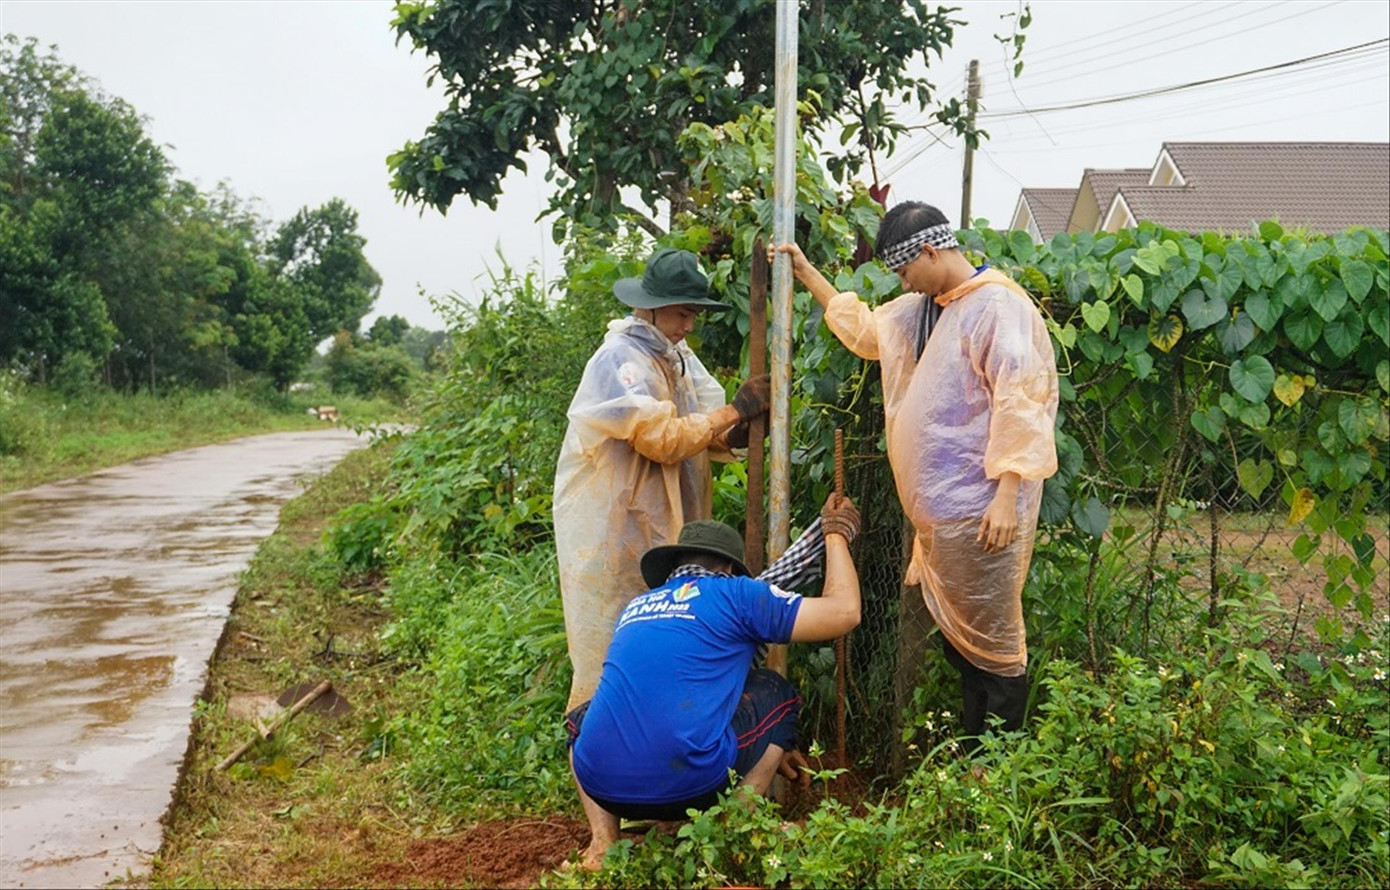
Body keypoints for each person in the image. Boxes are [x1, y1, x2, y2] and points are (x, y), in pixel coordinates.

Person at [771, 202, 1059, 752]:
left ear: (930, 251)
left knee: (996, 645)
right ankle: (979, 761)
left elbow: (1022, 401)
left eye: (905, 271)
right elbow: (864, 331)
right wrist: (806, 271)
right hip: (942, 528)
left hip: (987, 517)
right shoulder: (924, 309)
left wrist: (1006, 494)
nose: (903, 283)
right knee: (963, 648)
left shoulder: (997, 307)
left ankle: (996, 767)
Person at [566, 493, 863, 870]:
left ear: (675, 566)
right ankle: (732, 830)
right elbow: (845, 612)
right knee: (776, 693)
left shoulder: (638, 606)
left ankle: (603, 845)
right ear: (727, 567)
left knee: (581, 719)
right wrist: (836, 535)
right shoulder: (737, 595)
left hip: (603, 786)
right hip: (693, 781)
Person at [554, 247, 771, 712]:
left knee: (664, 626)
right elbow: (661, 439)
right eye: (682, 313)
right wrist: (737, 410)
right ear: (650, 306)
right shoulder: (621, 360)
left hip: (665, 519)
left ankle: (655, 744)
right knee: (617, 632)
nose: (689, 325)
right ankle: (595, 747)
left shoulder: (676, 357)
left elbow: (706, 427)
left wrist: (741, 425)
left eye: (694, 314)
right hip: (618, 526)